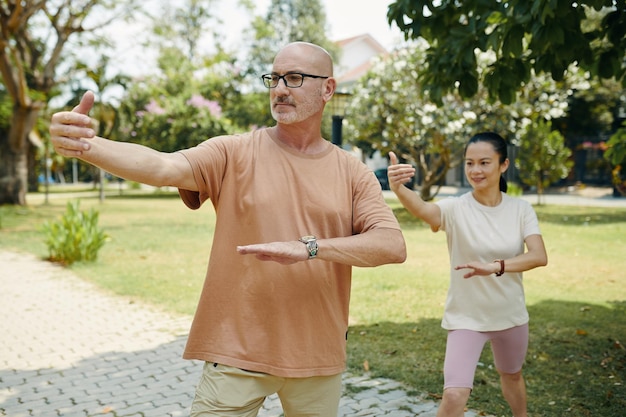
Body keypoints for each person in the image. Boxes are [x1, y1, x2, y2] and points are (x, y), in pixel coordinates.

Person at [49, 41, 407, 416]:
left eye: (295, 78)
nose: (280, 88)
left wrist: (311, 248)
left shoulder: (352, 172)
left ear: (328, 89)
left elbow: (391, 244)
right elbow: (162, 167)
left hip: (316, 356)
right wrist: (86, 145)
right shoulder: (233, 151)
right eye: (275, 78)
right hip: (236, 349)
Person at [387, 132, 548, 417]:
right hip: (466, 319)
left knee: (511, 375)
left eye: (484, 162)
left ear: (504, 165)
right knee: (454, 395)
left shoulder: (521, 209)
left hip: (509, 315)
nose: (475, 170)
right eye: (469, 163)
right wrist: (399, 189)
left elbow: (538, 256)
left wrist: (496, 266)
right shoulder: (456, 208)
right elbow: (425, 210)